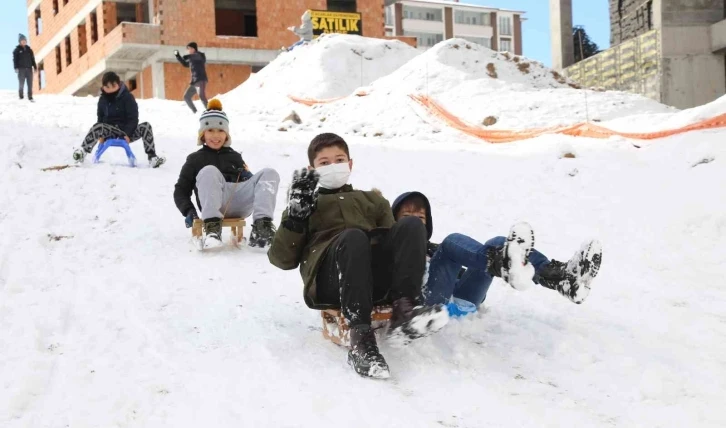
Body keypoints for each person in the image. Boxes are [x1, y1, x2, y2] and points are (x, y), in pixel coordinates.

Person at [267, 133, 449, 380]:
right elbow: (281, 259)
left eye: (339, 159)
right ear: (312, 170)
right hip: (332, 281)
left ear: (350, 164)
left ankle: (405, 310)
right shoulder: (306, 206)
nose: (333, 166)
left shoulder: (372, 200)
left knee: (411, 225)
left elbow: (396, 240)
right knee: (352, 237)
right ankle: (361, 338)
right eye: (324, 163)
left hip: (375, 277)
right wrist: (296, 218)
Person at [391, 192, 603, 309]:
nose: (415, 224)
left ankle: (562, 279)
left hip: (462, 301)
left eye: (420, 218)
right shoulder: (392, 250)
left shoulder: (433, 250)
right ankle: (502, 263)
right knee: (451, 242)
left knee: (498, 242)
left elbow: (460, 273)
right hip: (426, 305)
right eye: (406, 218)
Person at [173, 99, 280, 249]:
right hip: (213, 204)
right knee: (209, 171)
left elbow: (250, 182)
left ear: (227, 134)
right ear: (203, 133)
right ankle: (212, 230)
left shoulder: (235, 156)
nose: (216, 136)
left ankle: (262, 228)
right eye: (210, 130)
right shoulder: (194, 159)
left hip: (239, 200)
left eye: (220, 130)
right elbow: (181, 190)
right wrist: (189, 211)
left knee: (269, 173)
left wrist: (247, 176)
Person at [73, 72, 165, 168]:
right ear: (103, 87)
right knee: (98, 126)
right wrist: (101, 135)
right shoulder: (102, 100)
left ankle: (152, 158)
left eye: (113, 86)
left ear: (118, 84)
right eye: (107, 87)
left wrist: (128, 133)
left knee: (146, 126)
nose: (111, 89)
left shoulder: (128, 97)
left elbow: (133, 118)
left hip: (126, 131)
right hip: (110, 131)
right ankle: (83, 151)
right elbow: (100, 118)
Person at [174, 42, 209, 114]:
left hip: (201, 80)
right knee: (186, 97)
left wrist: (188, 56)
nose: (188, 50)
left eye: (189, 49)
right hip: (194, 82)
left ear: (193, 49)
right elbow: (184, 63)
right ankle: (195, 112)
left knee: (202, 96)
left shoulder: (200, 55)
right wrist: (178, 56)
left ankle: (211, 112)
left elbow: (197, 56)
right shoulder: (191, 59)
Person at [13, 34, 37, 102]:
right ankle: (21, 96)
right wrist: (16, 67)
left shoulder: (29, 50)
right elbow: (15, 60)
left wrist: (35, 67)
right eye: (22, 40)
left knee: (30, 83)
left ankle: (30, 96)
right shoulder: (17, 50)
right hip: (21, 69)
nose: (24, 41)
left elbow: (33, 59)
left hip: (29, 69)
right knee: (21, 83)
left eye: (25, 40)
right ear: (20, 41)